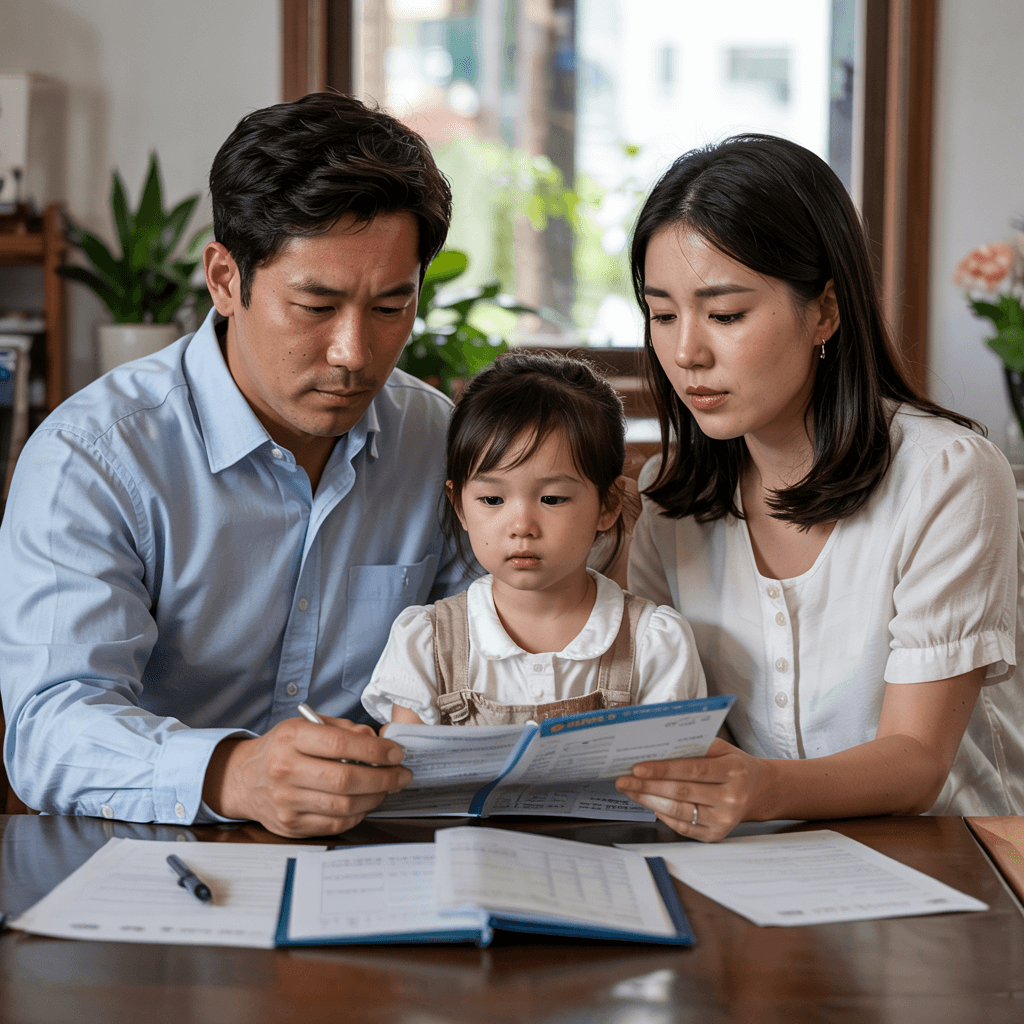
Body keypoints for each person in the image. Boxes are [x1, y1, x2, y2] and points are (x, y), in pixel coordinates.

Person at [0, 93, 465, 838]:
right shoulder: (93, 458)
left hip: (379, 854)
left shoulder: (439, 443)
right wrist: (232, 774)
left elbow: (495, 651)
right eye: (315, 305)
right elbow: (51, 729)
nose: (354, 353)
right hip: (159, 858)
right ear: (224, 279)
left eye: (389, 308)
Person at [616, 134, 1024, 841]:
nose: (687, 353)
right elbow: (660, 712)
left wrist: (757, 787)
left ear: (825, 312)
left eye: (725, 314)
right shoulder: (666, 497)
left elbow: (916, 762)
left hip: (952, 862)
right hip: (763, 866)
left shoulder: (949, 475)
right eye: (662, 314)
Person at [360, 352, 706, 727]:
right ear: (459, 504)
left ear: (607, 504)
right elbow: (407, 774)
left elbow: (671, 775)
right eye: (492, 499)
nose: (522, 526)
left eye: (552, 499)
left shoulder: (655, 643)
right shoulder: (426, 642)